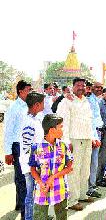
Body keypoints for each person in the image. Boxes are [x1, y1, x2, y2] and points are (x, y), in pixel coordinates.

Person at [57, 77, 97, 211]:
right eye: (78, 85)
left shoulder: (86, 101)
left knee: (85, 169)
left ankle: (82, 194)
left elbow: (89, 122)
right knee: (73, 170)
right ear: (73, 87)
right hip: (74, 140)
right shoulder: (67, 101)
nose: (81, 87)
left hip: (86, 139)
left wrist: (92, 138)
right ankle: (72, 200)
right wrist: (66, 141)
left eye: (83, 85)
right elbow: (63, 123)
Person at [29, 114, 73, 220]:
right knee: (39, 216)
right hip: (42, 188)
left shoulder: (63, 146)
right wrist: (40, 182)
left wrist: (52, 177)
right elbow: (32, 169)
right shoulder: (36, 147)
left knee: (62, 215)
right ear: (52, 129)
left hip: (60, 187)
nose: (62, 130)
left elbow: (69, 167)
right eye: (60, 127)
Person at [3, 80, 31, 217]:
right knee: (22, 179)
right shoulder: (14, 108)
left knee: (21, 177)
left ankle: (20, 204)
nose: (30, 93)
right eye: (28, 90)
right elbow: (8, 131)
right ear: (20, 91)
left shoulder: (29, 106)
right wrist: (8, 152)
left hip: (26, 145)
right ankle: (25, 214)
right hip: (17, 146)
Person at [20, 92, 45, 220]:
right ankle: (29, 217)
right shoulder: (29, 122)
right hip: (31, 165)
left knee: (35, 193)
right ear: (36, 105)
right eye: (42, 103)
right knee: (31, 194)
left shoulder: (35, 119)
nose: (44, 106)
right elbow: (27, 147)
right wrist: (35, 164)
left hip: (34, 163)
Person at [86, 82, 104, 197]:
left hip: (98, 131)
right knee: (92, 162)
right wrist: (94, 137)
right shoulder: (89, 100)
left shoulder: (97, 100)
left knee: (94, 161)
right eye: (97, 87)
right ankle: (89, 188)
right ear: (91, 88)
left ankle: (91, 185)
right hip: (93, 134)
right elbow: (90, 121)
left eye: (101, 88)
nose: (99, 89)